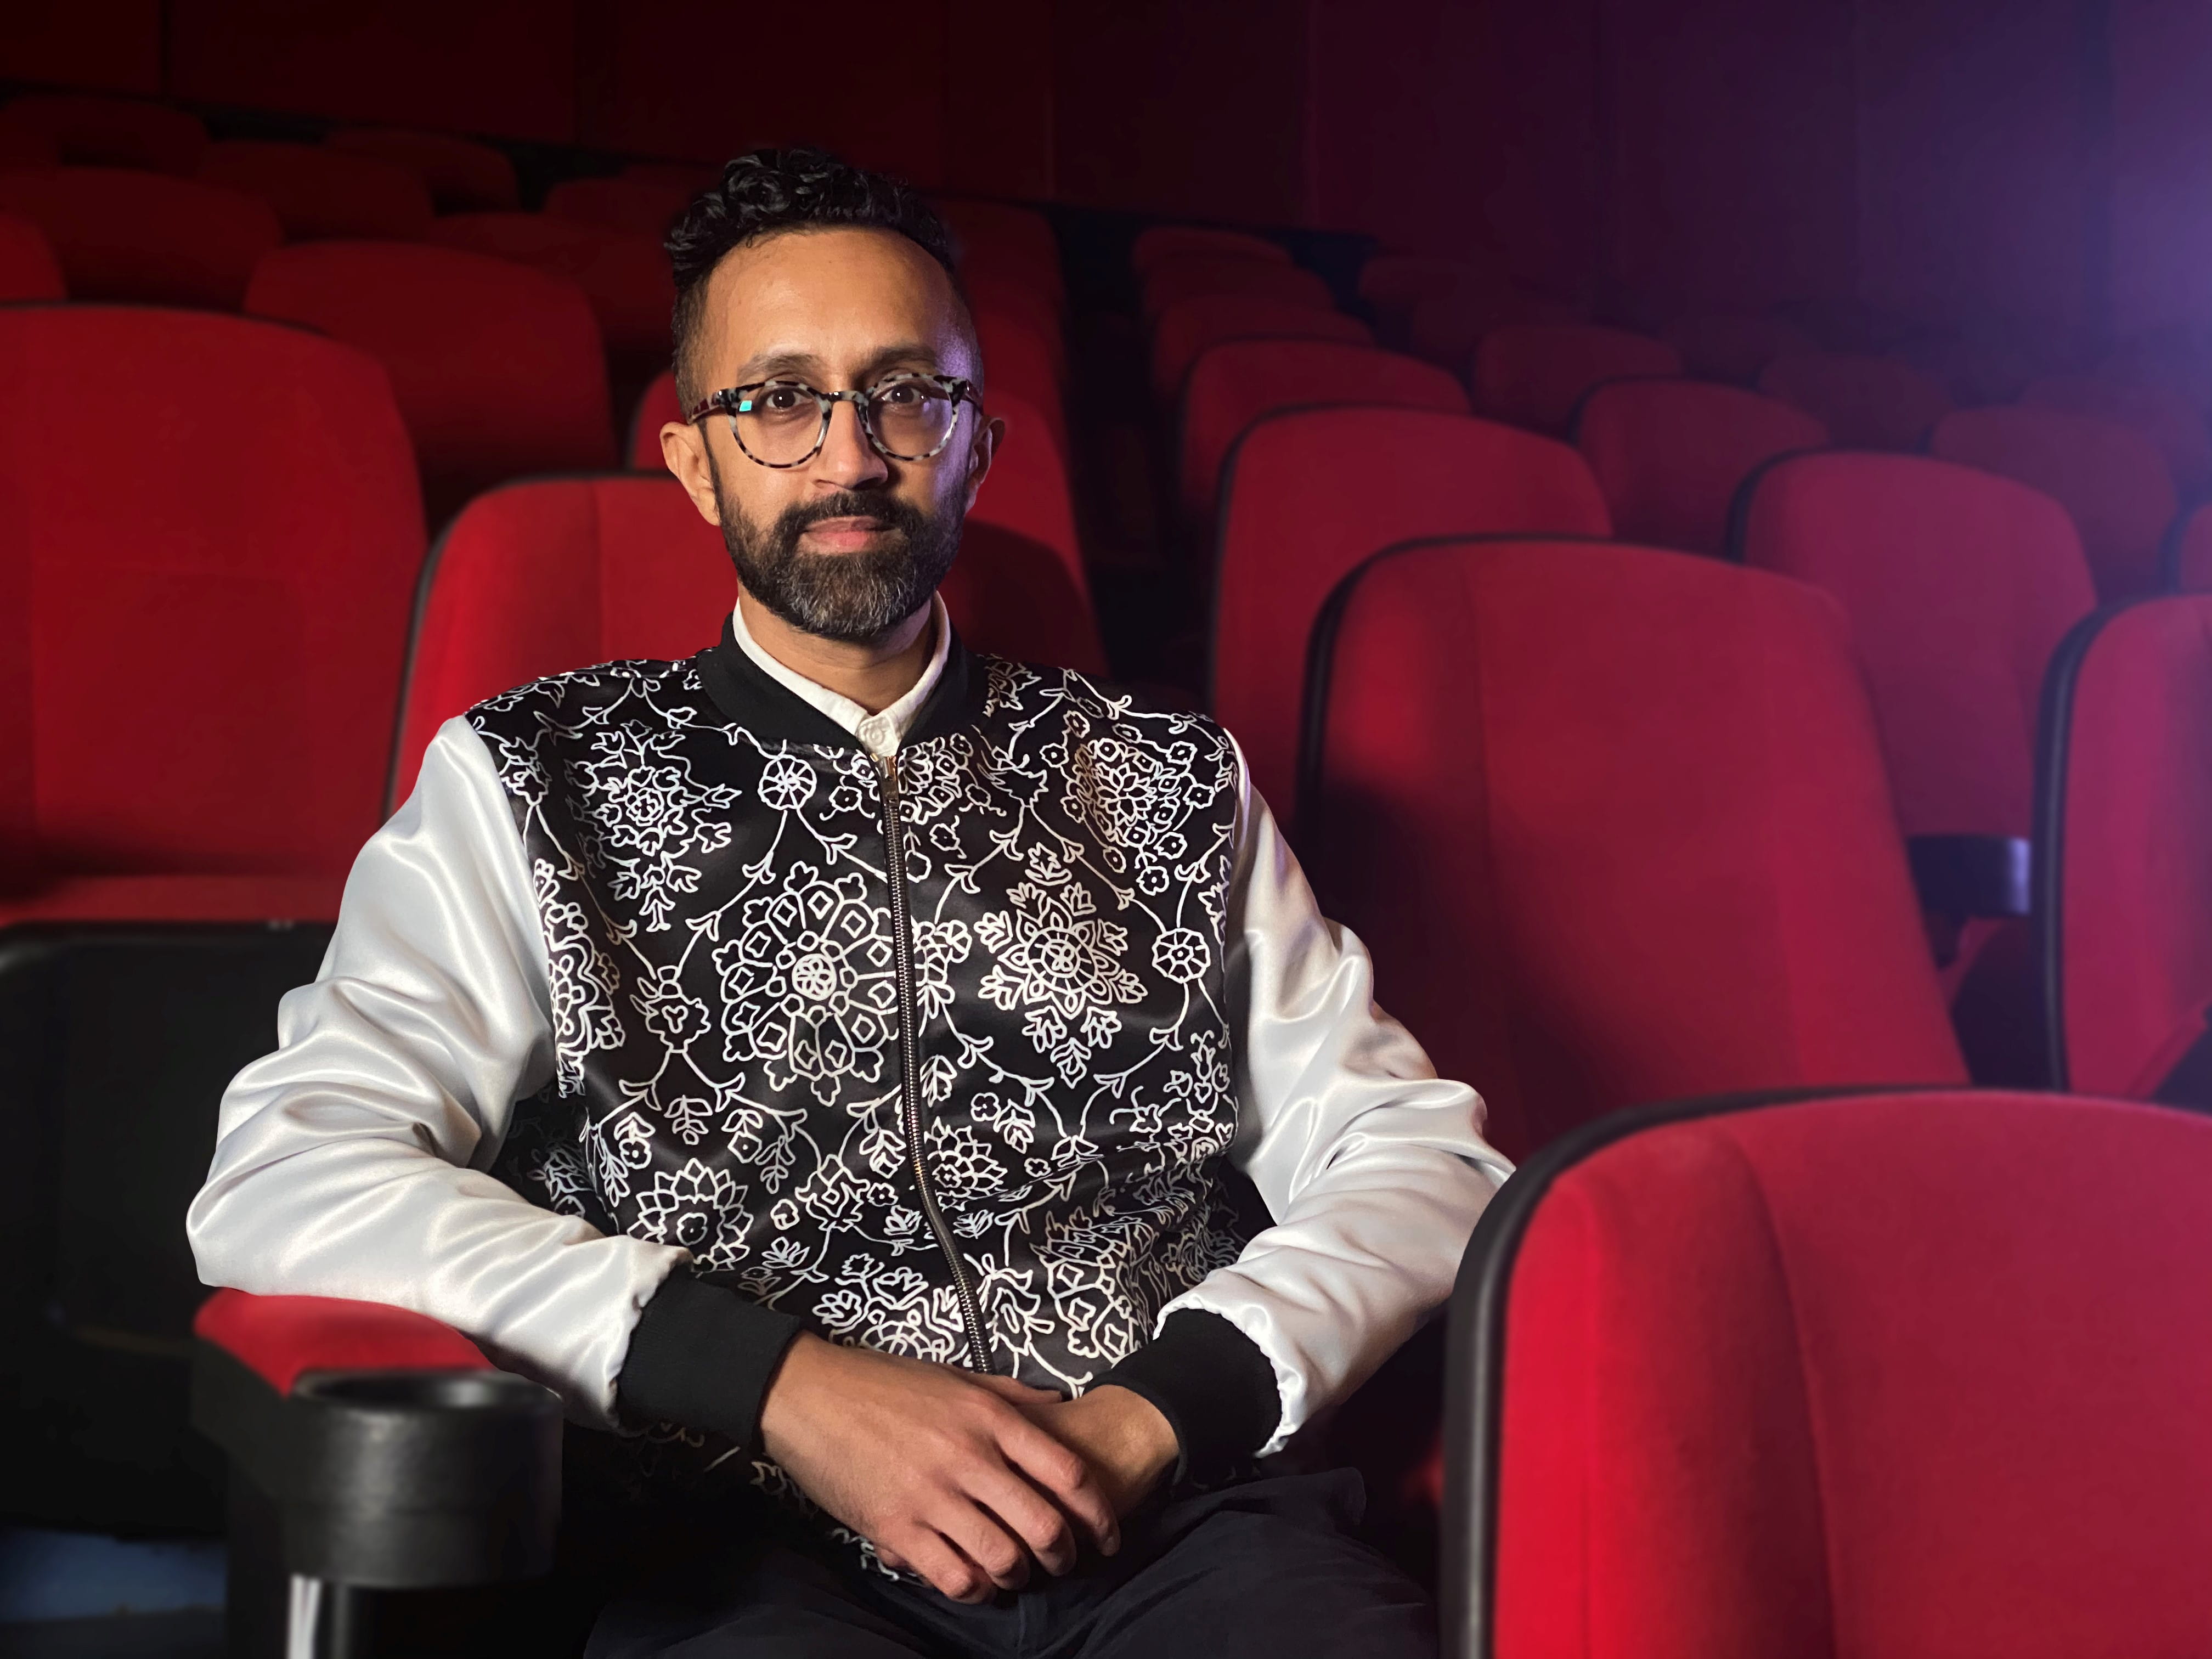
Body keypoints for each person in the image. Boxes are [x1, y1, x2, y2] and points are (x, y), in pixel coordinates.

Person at [189, 148, 1510, 1658]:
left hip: (1183, 1527)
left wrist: (1164, 1411)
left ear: (980, 441)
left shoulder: (1168, 773)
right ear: (695, 460)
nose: (850, 455)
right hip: (732, 1540)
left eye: (905, 393)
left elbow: (1419, 1155)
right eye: (780, 399)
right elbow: (288, 1178)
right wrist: (774, 1382)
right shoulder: (522, 778)